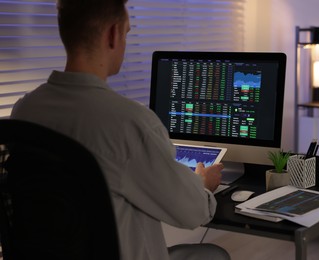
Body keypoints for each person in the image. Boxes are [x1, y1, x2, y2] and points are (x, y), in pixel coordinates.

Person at [10, 0, 230, 260]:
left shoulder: (25, 110)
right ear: (113, 34)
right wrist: (203, 186)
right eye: (127, 32)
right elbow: (192, 212)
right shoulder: (130, 123)